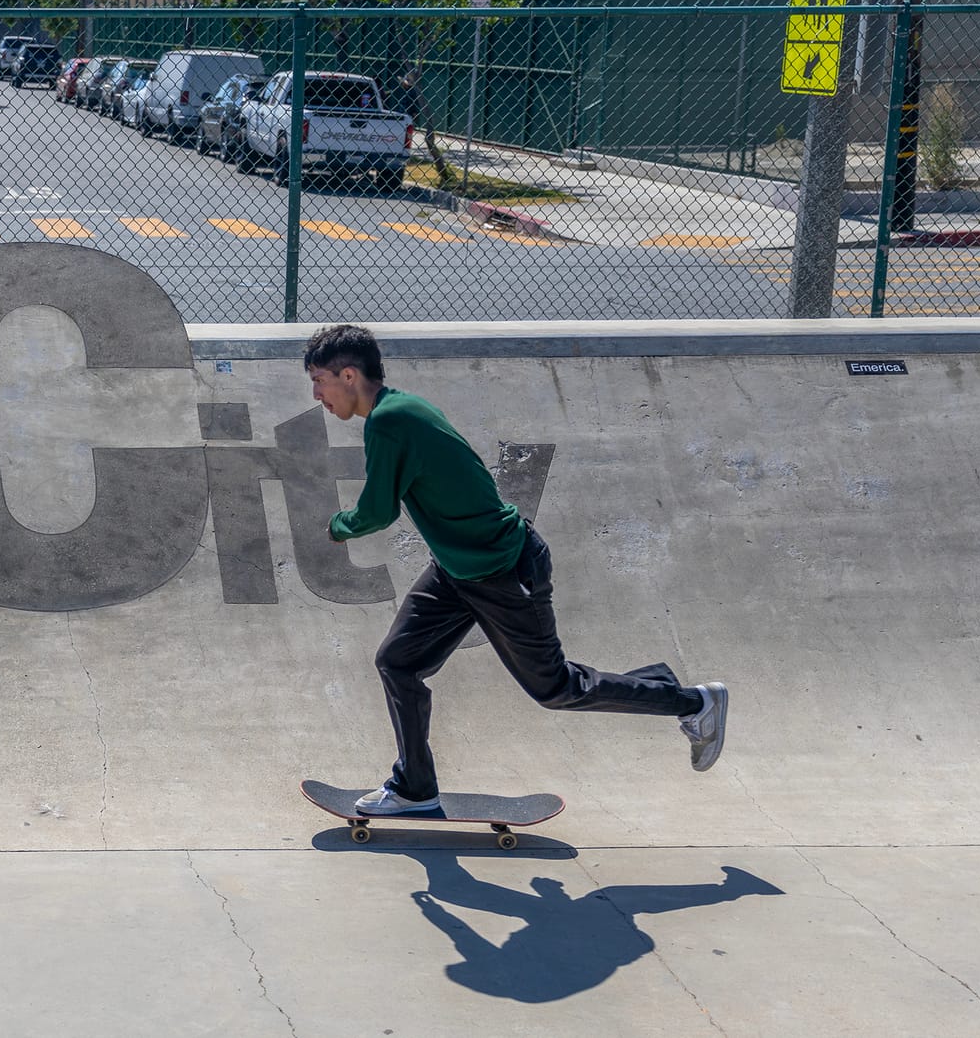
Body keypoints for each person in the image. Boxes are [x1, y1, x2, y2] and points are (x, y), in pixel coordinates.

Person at [305, 324, 727, 814]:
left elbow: (377, 512)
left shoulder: (389, 422)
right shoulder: (402, 407)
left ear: (349, 375)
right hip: (457, 569)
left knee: (557, 689)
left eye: (319, 381)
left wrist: (337, 527)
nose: (317, 395)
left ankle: (695, 702)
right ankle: (414, 788)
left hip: (502, 569)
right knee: (397, 662)